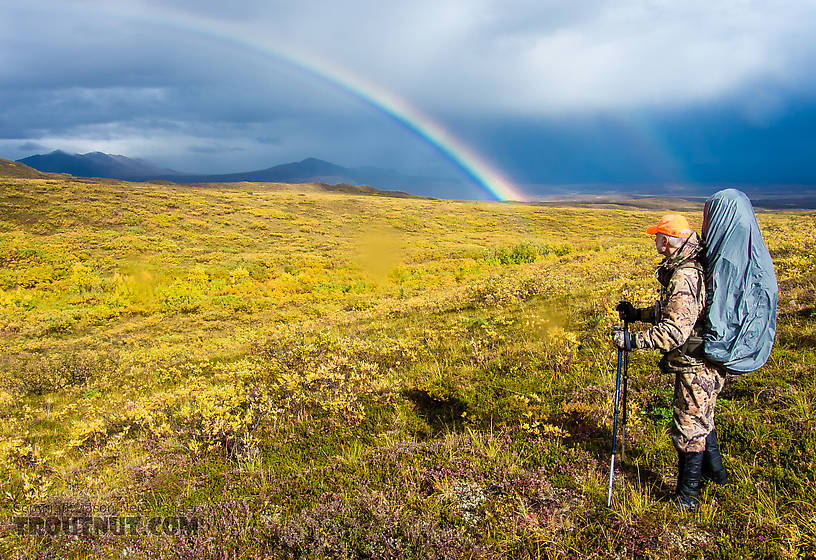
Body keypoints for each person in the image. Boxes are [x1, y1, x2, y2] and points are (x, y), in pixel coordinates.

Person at [612, 213, 728, 510]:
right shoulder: (687, 266)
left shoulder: (685, 275)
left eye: (657, 236)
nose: (654, 240)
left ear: (666, 240)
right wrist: (638, 314)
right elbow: (673, 311)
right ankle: (718, 479)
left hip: (696, 365)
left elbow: (674, 331)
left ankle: (687, 499)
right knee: (702, 419)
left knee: (689, 427)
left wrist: (632, 341)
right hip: (701, 361)